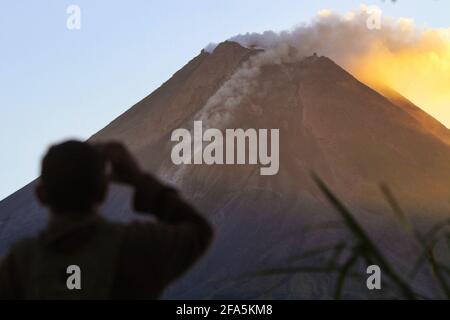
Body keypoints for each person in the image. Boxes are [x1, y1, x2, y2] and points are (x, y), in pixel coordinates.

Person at [0, 140, 213, 299]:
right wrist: (138, 179)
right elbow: (199, 231)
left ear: (40, 194)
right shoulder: (138, 244)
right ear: (103, 191)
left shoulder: (17, 267)